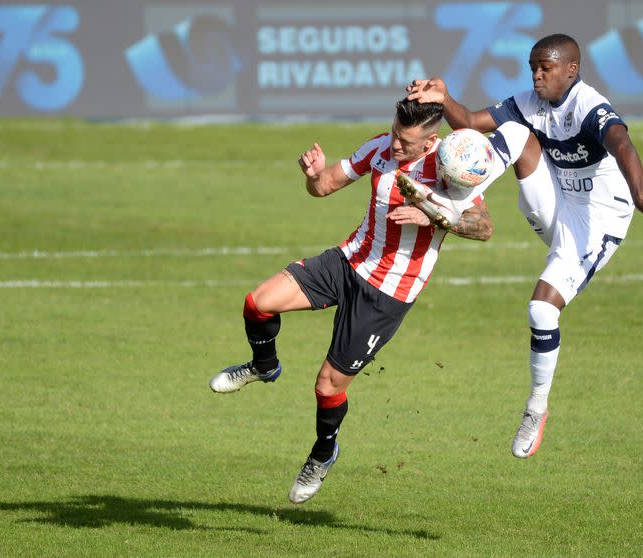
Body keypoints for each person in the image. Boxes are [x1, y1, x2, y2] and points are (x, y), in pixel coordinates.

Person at [209, 97, 534, 504]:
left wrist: (433, 214)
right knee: (258, 302)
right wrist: (312, 176)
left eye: (406, 141)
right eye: (395, 133)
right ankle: (263, 365)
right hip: (348, 261)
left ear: (430, 140)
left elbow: (483, 227)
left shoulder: (451, 168)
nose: (396, 145)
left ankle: (323, 453)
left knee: (327, 385)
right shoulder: (381, 146)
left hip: (387, 294)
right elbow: (324, 185)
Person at [405, 33, 643, 459]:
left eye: (544, 69)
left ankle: (535, 408)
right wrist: (443, 98)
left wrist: (641, 194)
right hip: (555, 203)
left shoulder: (589, 106)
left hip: (597, 220)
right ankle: (453, 203)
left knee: (540, 310)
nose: (536, 76)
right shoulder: (531, 102)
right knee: (514, 132)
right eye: (533, 67)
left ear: (571, 70)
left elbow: (622, 143)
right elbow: (472, 123)